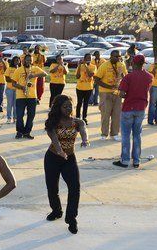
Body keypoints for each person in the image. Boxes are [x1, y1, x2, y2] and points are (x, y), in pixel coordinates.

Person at [44, 95, 88, 232]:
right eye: (65, 106)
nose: (69, 109)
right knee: (52, 188)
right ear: (58, 108)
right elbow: (55, 139)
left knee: (75, 187)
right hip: (52, 157)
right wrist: (60, 151)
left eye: (71, 106)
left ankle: (71, 218)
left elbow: (83, 131)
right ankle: (56, 210)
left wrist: (85, 140)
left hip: (69, 159)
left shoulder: (78, 122)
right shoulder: (52, 123)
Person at [114, 54, 153, 168]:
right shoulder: (149, 76)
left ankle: (125, 160)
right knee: (137, 135)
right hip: (141, 108)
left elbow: (121, 94)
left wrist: (126, 94)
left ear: (132, 64)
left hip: (128, 108)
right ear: (143, 64)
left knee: (126, 135)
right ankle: (136, 160)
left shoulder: (128, 77)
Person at [12, 55, 47, 139]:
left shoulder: (35, 69)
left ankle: (27, 132)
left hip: (32, 96)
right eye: (27, 60)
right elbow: (13, 83)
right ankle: (19, 132)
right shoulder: (18, 70)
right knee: (19, 116)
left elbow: (45, 74)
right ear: (23, 61)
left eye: (30, 60)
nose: (28, 61)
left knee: (31, 116)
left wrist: (33, 76)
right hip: (21, 96)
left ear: (32, 61)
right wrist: (21, 87)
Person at [94, 50, 127, 140]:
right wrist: (109, 86)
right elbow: (96, 79)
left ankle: (115, 133)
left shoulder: (122, 65)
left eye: (119, 56)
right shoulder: (104, 65)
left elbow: (125, 78)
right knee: (105, 114)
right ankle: (104, 134)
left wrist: (123, 84)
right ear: (111, 56)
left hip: (117, 92)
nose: (117, 58)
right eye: (116, 56)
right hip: (105, 92)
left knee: (117, 114)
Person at [75, 53, 95, 123]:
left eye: (90, 58)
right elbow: (77, 76)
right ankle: (77, 117)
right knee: (79, 103)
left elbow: (90, 75)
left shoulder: (93, 66)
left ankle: (84, 117)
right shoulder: (80, 66)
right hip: (80, 88)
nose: (88, 59)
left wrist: (86, 66)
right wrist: (80, 66)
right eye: (87, 58)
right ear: (84, 58)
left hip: (89, 88)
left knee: (86, 103)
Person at [2, 56, 21, 124]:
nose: (17, 62)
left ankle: (15, 118)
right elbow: (7, 79)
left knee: (16, 105)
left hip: (17, 89)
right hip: (9, 89)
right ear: (13, 61)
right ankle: (9, 118)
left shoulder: (20, 69)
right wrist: (14, 80)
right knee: (9, 104)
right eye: (15, 60)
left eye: (18, 60)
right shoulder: (9, 69)